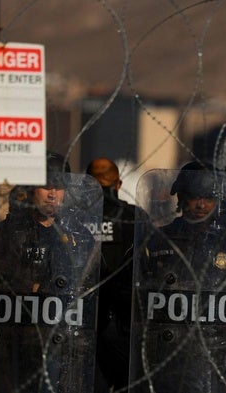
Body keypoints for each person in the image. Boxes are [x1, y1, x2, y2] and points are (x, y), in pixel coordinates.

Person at [0, 152, 101, 393]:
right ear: (32, 189)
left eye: (59, 187)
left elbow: (92, 291)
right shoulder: (6, 233)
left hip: (57, 349)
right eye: (46, 187)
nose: (53, 194)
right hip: (12, 349)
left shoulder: (78, 238)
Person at [129, 161, 226, 392]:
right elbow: (136, 301)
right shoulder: (156, 241)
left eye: (208, 198)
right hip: (166, 358)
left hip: (215, 359)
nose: (201, 205)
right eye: (194, 197)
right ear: (181, 199)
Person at [85, 158, 140, 392]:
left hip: (87, 317)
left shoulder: (73, 218)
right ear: (118, 184)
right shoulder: (133, 217)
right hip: (123, 321)